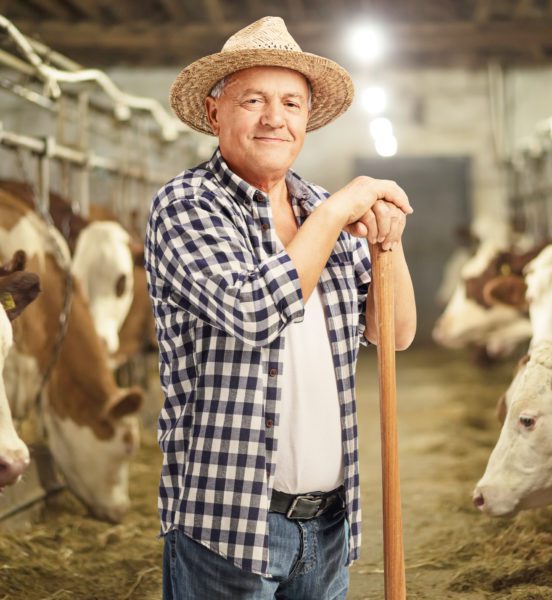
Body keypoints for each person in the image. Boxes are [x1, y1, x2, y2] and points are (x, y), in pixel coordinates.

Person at [144, 15, 416, 600]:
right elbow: (255, 312)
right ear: (216, 113)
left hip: (329, 524)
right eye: (254, 100)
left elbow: (393, 334)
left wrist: (387, 243)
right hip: (231, 526)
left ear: (306, 119)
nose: (275, 117)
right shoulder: (187, 206)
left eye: (291, 102)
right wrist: (340, 209)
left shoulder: (323, 208)